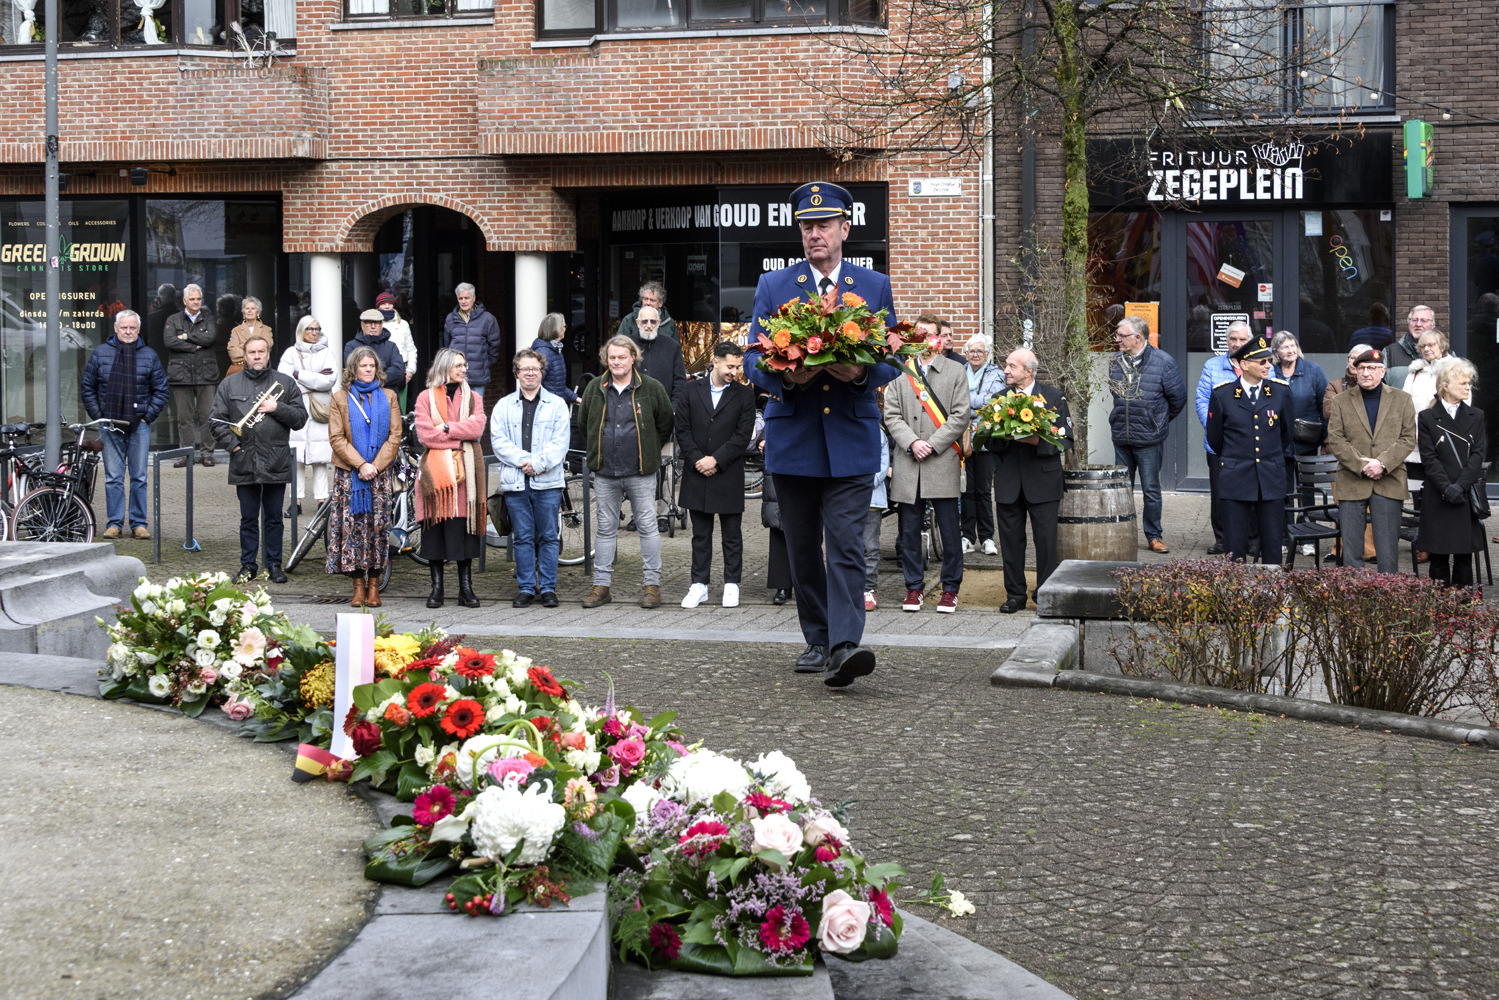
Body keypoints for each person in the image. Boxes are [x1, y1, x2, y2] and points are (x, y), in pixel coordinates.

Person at [745, 181, 900, 688]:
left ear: (844, 229)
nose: (815, 234)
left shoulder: (873, 285)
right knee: (803, 549)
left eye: (824, 225)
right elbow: (752, 358)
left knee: (847, 546)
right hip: (794, 439)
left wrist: (861, 375)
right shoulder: (775, 286)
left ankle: (845, 645)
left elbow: (892, 356)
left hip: (851, 439)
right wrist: (787, 377)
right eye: (807, 226)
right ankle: (817, 638)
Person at [578, 335, 675, 609]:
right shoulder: (595, 388)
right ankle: (601, 586)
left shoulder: (652, 388)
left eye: (622, 357)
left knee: (647, 526)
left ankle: (652, 586)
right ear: (605, 359)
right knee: (605, 528)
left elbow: (665, 423)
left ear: (633, 357)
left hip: (640, 471)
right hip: (605, 471)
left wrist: (649, 449)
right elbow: (584, 424)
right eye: (612, 357)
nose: (616, 362)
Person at [884, 313, 970, 614]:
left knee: (949, 530)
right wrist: (912, 442)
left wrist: (931, 444)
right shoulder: (899, 369)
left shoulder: (955, 370)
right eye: (918, 334)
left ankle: (950, 589)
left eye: (930, 334)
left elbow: (961, 415)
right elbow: (891, 414)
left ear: (939, 339)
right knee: (908, 531)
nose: (924, 340)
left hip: (941, 459)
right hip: (909, 461)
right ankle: (913, 588)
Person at [209, 335, 307, 585]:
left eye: (261, 352)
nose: (257, 356)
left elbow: (300, 419)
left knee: (274, 518)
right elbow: (217, 422)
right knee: (248, 519)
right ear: (245, 355)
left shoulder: (285, 382)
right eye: (252, 352)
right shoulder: (229, 384)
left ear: (268, 353)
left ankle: (274, 564)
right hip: (244, 459)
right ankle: (248, 565)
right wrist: (233, 446)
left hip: (276, 460)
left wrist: (277, 408)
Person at [989, 347, 1071, 611]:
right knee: (1010, 542)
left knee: (1046, 542)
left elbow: (1065, 439)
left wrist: (1036, 440)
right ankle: (1015, 595)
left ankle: (1045, 594)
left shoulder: (1053, 397)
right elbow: (988, 440)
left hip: (1044, 482)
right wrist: (1002, 437)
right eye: (1006, 365)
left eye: (1011, 366)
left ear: (1028, 371)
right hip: (1008, 482)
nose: (1005, 370)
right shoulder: (999, 399)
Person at [677, 342, 756, 609]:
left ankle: (732, 584)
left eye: (738, 367)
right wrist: (698, 460)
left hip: (728, 472)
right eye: (730, 366)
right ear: (715, 361)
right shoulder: (690, 390)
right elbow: (682, 429)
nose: (734, 372)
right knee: (700, 535)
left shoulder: (744, 395)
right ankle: (699, 585)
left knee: (732, 535)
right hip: (697, 471)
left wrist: (716, 460)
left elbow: (742, 435)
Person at [491, 348, 572, 609]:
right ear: (516, 373)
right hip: (515, 482)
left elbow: (560, 442)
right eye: (525, 369)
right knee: (522, 537)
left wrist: (537, 463)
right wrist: (525, 461)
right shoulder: (503, 406)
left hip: (548, 482)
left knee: (549, 536)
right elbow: (498, 442)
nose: (530, 373)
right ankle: (526, 588)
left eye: (535, 369)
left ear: (541, 372)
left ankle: (548, 588)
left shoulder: (557, 404)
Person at [1326, 348, 1417, 573]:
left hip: (1389, 480)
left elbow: (1407, 439)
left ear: (1382, 371)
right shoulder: (1340, 401)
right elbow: (1336, 439)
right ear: (1355, 371)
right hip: (1352, 480)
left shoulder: (1402, 399)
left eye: (1371, 368)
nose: (1366, 373)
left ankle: (1387, 591)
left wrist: (1382, 464)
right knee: (1351, 550)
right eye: (1361, 368)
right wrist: (1363, 466)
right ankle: (1355, 592)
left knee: (1387, 549)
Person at [81, 309, 169, 540]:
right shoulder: (100, 353)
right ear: (116, 328)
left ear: (138, 329)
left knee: (139, 477)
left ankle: (139, 524)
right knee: (113, 477)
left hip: (139, 425)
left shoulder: (149, 355)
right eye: (124, 327)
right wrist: (100, 415)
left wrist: (147, 417)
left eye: (132, 327)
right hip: (109, 425)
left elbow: (161, 390)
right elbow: (87, 387)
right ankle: (114, 524)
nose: (128, 331)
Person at [326, 346, 403, 607]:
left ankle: (374, 588)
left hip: (379, 475)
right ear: (353, 369)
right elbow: (336, 437)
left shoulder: (389, 396)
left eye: (372, 366)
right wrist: (361, 464)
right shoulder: (340, 397)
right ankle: (358, 587)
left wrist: (375, 466)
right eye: (363, 366)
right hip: (350, 475)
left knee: (377, 530)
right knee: (352, 529)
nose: (368, 370)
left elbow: (395, 435)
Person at [1205, 336, 1292, 565]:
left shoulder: (1280, 392)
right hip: (1236, 476)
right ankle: (1237, 585)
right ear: (1244, 364)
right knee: (1235, 545)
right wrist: (1238, 457)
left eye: (1268, 360)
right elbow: (1215, 439)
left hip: (1270, 476)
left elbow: (1286, 433)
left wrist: (1267, 456)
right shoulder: (1222, 394)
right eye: (1262, 362)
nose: (1268, 365)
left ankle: (1272, 584)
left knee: (1272, 542)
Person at [414, 348, 488, 610]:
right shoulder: (425, 397)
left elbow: (477, 428)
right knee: (435, 531)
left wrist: (446, 428)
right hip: (436, 477)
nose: (464, 369)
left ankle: (465, 589)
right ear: (444, 367)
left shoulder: (474, 397)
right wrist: (459, 437)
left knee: (463, 530)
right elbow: (425, 435)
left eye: (464, 365)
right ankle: (437, 588)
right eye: (458, 365)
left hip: (467, 475)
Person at [1109, 314, 1187, 553]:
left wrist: (1156, 421)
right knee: (1121, 489)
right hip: (1122, 436)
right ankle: (1121, 534)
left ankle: (1154, 536)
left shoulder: (1163, 361)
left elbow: (1178, 399)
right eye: (1117, 335)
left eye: (1122, 336)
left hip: (1148, 439)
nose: (1117, 340)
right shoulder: (1115, 361)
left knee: (1151, 490)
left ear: (1138, 337)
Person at [1416, 358, 1487, 589]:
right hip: (1439, 494)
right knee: (1438, 555)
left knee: (1464, 556)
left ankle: (1464, 605)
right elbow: (1429, 458)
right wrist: (1446, 487)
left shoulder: (1476, 415)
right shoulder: (1427, 417)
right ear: (1445, 386)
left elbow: (1478, 455)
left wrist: (1460, 486)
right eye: (1463, 383)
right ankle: (1439, 604)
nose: (1468, 387)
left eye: (1469, 383)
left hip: (1464, 493)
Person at [1196, 320, 1251, 555]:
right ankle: (1222, 539)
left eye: (1242, 339)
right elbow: (1202, 400)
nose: (1237, 343)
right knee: (1220, 493)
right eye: (1233, 339)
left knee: (1250, 491)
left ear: (1249, 341)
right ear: (1226, 341)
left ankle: (1251, 539)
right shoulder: (1212, 366)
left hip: (1251, 442)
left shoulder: (1259, 363)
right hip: (1220, 444)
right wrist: (1215, 430)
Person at [1271, 331, 1329, 556]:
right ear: (1276, 352)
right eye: (1285, 347)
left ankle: (1307, 538)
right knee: (1283, 491)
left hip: (1308, 441)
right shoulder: (1271, 372)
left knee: (1307, 490)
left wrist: (1325, 438)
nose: (1290, 350)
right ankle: (1285, 537)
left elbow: (1324, 405)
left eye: (1293, 345)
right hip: (1280, 442)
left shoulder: (1313, 370)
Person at [277, 315, 337, 514]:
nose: (314, 332)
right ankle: (295, 502)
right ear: (301, 331)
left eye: (316, 329)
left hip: (320, 409)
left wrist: (299, 374)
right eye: (310, 329)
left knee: (320, 458)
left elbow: (329, 381)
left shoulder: (327, 352)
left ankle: (322, 501)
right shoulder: (290, 352)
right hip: (297, 408)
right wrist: (315, 379)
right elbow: (285, 382)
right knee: (296, 457)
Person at [164, 282, 219, 468]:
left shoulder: (208, 317)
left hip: (206, 373)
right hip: (182, 374)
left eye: (199, 299)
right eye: (192, 299)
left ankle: (207, 454)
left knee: (208, 416)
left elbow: (210, 338)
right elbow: (170, 341)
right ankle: (185, 454)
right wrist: (195, 346)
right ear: (184, 301)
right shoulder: (173, 319)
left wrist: (186, 337)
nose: (196, 302)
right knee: (184, 419)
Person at [959, 333, 1004, 555]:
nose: (975, 355)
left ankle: (987, 538)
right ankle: (967, 537)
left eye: (980, 351)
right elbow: (951, 400)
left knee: (984, 491)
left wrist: (966, 404)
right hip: (962, 437)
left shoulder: (997, 374)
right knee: (966, 490)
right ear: (965, 353)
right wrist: (978, 404)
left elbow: (995, 401)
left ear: (987, 354)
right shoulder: (959, 372)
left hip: (986, 438)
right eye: (972, 351)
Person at [1401, 329, 1461, 479]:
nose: (1426, 349)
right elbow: (1403, 405)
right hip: (1416, 441)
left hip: (1443, 439)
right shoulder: (1414, 372)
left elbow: (1460, 406)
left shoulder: (1455, 370)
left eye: (1431, 345)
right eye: (1423, 346)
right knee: (1416, 484)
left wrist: (1434, 431)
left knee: (1440, 483)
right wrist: (1415, 430)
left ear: (1442, 346)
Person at [442, 282, 503, 404]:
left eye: (467, 298)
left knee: (476, 409)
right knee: (455, 408)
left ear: (473, 298)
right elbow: (447, 345)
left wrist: (484, 363)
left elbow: (495, 345)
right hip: (456, 374)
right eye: (460, 298)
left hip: (478, 374)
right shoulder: (451, 318)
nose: (463, 301)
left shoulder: (487, 319)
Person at [627, 303, 688, 409]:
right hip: (631, 408)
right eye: (644, 321)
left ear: (659, 323)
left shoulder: (672, 346)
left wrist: (674, 408)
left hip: (663, 410)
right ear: (637, 323)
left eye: (653, 321)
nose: (649, 325)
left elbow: (680, 382)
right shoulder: (627, 345)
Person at [863, 423, 892, 611]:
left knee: (870, 546)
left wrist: (866, 483)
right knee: (847, 545)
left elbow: (883, 462)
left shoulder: (876, 431)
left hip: (871, 497)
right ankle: (849, 587)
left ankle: (869, 588)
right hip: (845, 498)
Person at [345, 308, 408, 393]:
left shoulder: (391, 346)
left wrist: (369, 377)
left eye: (377, 323)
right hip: (360, 395)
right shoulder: (351, 346)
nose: (373, 326)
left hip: (388, 396)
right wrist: (382, 370)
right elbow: (351, 370)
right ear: (362, 325)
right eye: (369, 323)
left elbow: (398, 372)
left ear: (381, 325)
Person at [377, 292, 418, 407]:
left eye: (389, 303)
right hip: (379, 369)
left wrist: (410, 370)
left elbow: (411, 349)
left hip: (401, 370)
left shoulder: (403, 324)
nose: (387, 306)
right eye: (383, 304)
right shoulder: (374, 325)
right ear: (378, 306)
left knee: (400, 407)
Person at [1384, 304, 1437, 387]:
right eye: (1414, 320)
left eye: (1424, 320)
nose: (1418, 324)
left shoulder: (1445, 354)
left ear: (1432, 325)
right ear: (1408, 323)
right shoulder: (1389, 353)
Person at [531, 313, 578, 407]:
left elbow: (558, 386)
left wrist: (575, 398)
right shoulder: (544, 353)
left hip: (555, 407)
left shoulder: (556, 350)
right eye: (564, 326)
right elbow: (534, 385)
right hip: (548, 409)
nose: (565, 329)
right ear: (556, 329)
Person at [226, 296, 272, 377]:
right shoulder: (236, 330)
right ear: (243, 313)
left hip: (261, 370)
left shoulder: (266, 330)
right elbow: (233, 352)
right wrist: (256, 351)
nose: (250, 311)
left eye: (253, 308)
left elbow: (266, 348)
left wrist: (243, 347)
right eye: (247, 308)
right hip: (241, 371)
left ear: (258, 312)